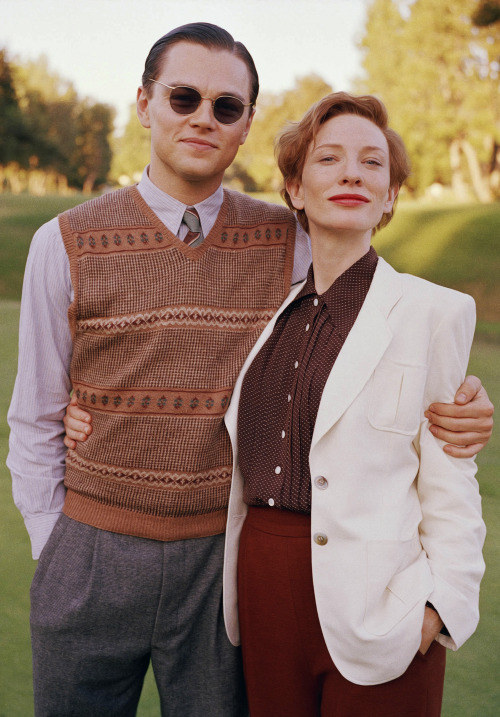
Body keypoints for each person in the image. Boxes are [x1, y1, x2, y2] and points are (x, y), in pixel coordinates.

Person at [8, 22, 491, 717]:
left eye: (226, 107)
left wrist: (463, 401)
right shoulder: (63, 242)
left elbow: (377, 316)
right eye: (184, 97)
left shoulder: (291, 239)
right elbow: (36, 413)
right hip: (91, 556)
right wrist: (54, 541)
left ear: (245, 127)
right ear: (144, 103)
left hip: (221, 568)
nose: (204, 117)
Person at [220, 92, 486, 717]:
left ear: (391, 195)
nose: (350, 174)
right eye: (328, 158)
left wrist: (439, 606)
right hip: (263, 585)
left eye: (372, 164)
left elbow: (451, 478)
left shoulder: (434, 312)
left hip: (381, 602)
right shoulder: (269, 315)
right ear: (294, 188)